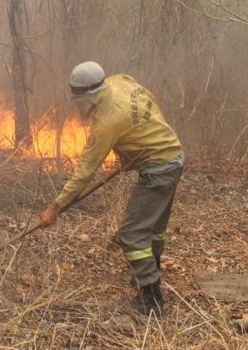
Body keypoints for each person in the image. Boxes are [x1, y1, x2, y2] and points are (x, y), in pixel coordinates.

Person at [39, 61, 184, 318]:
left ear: (87, 93)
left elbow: (84, 172)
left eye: (76, 94)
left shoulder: (107, 121)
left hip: (158, 170)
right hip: (173, 155)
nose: (74, 99)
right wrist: (139, 145)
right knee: (154, 229)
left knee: (131, 233)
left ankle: (152, 299)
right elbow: (149, 103)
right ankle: (151, 272)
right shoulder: (121, 81)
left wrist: (56, 206)